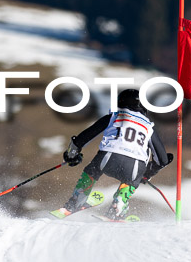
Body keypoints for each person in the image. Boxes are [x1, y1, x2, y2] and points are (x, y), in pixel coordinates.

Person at [58, 89, 172, 219]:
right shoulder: (148, 126)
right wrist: (148, 173)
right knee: (131, 181)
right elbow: (162, 160)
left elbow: (83, 138)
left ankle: (76, 199)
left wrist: (71, 155)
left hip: (107, 160)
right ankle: (118, 205)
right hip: (134, 167)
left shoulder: (113, 116)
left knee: (92, 170)